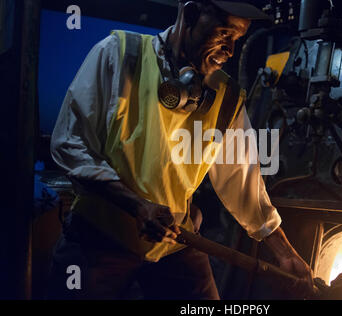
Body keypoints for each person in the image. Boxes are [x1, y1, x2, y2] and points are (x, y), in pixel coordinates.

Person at [48, 0, 314, 300]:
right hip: (99, 239)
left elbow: (244, 184)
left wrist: (285, 253)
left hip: (174, 240)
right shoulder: (119, 54)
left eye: (237, 40)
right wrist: (137, 206)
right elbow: (70, 145)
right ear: (189, 14)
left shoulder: (225, 98)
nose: (229, 50)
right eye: (223, 33)